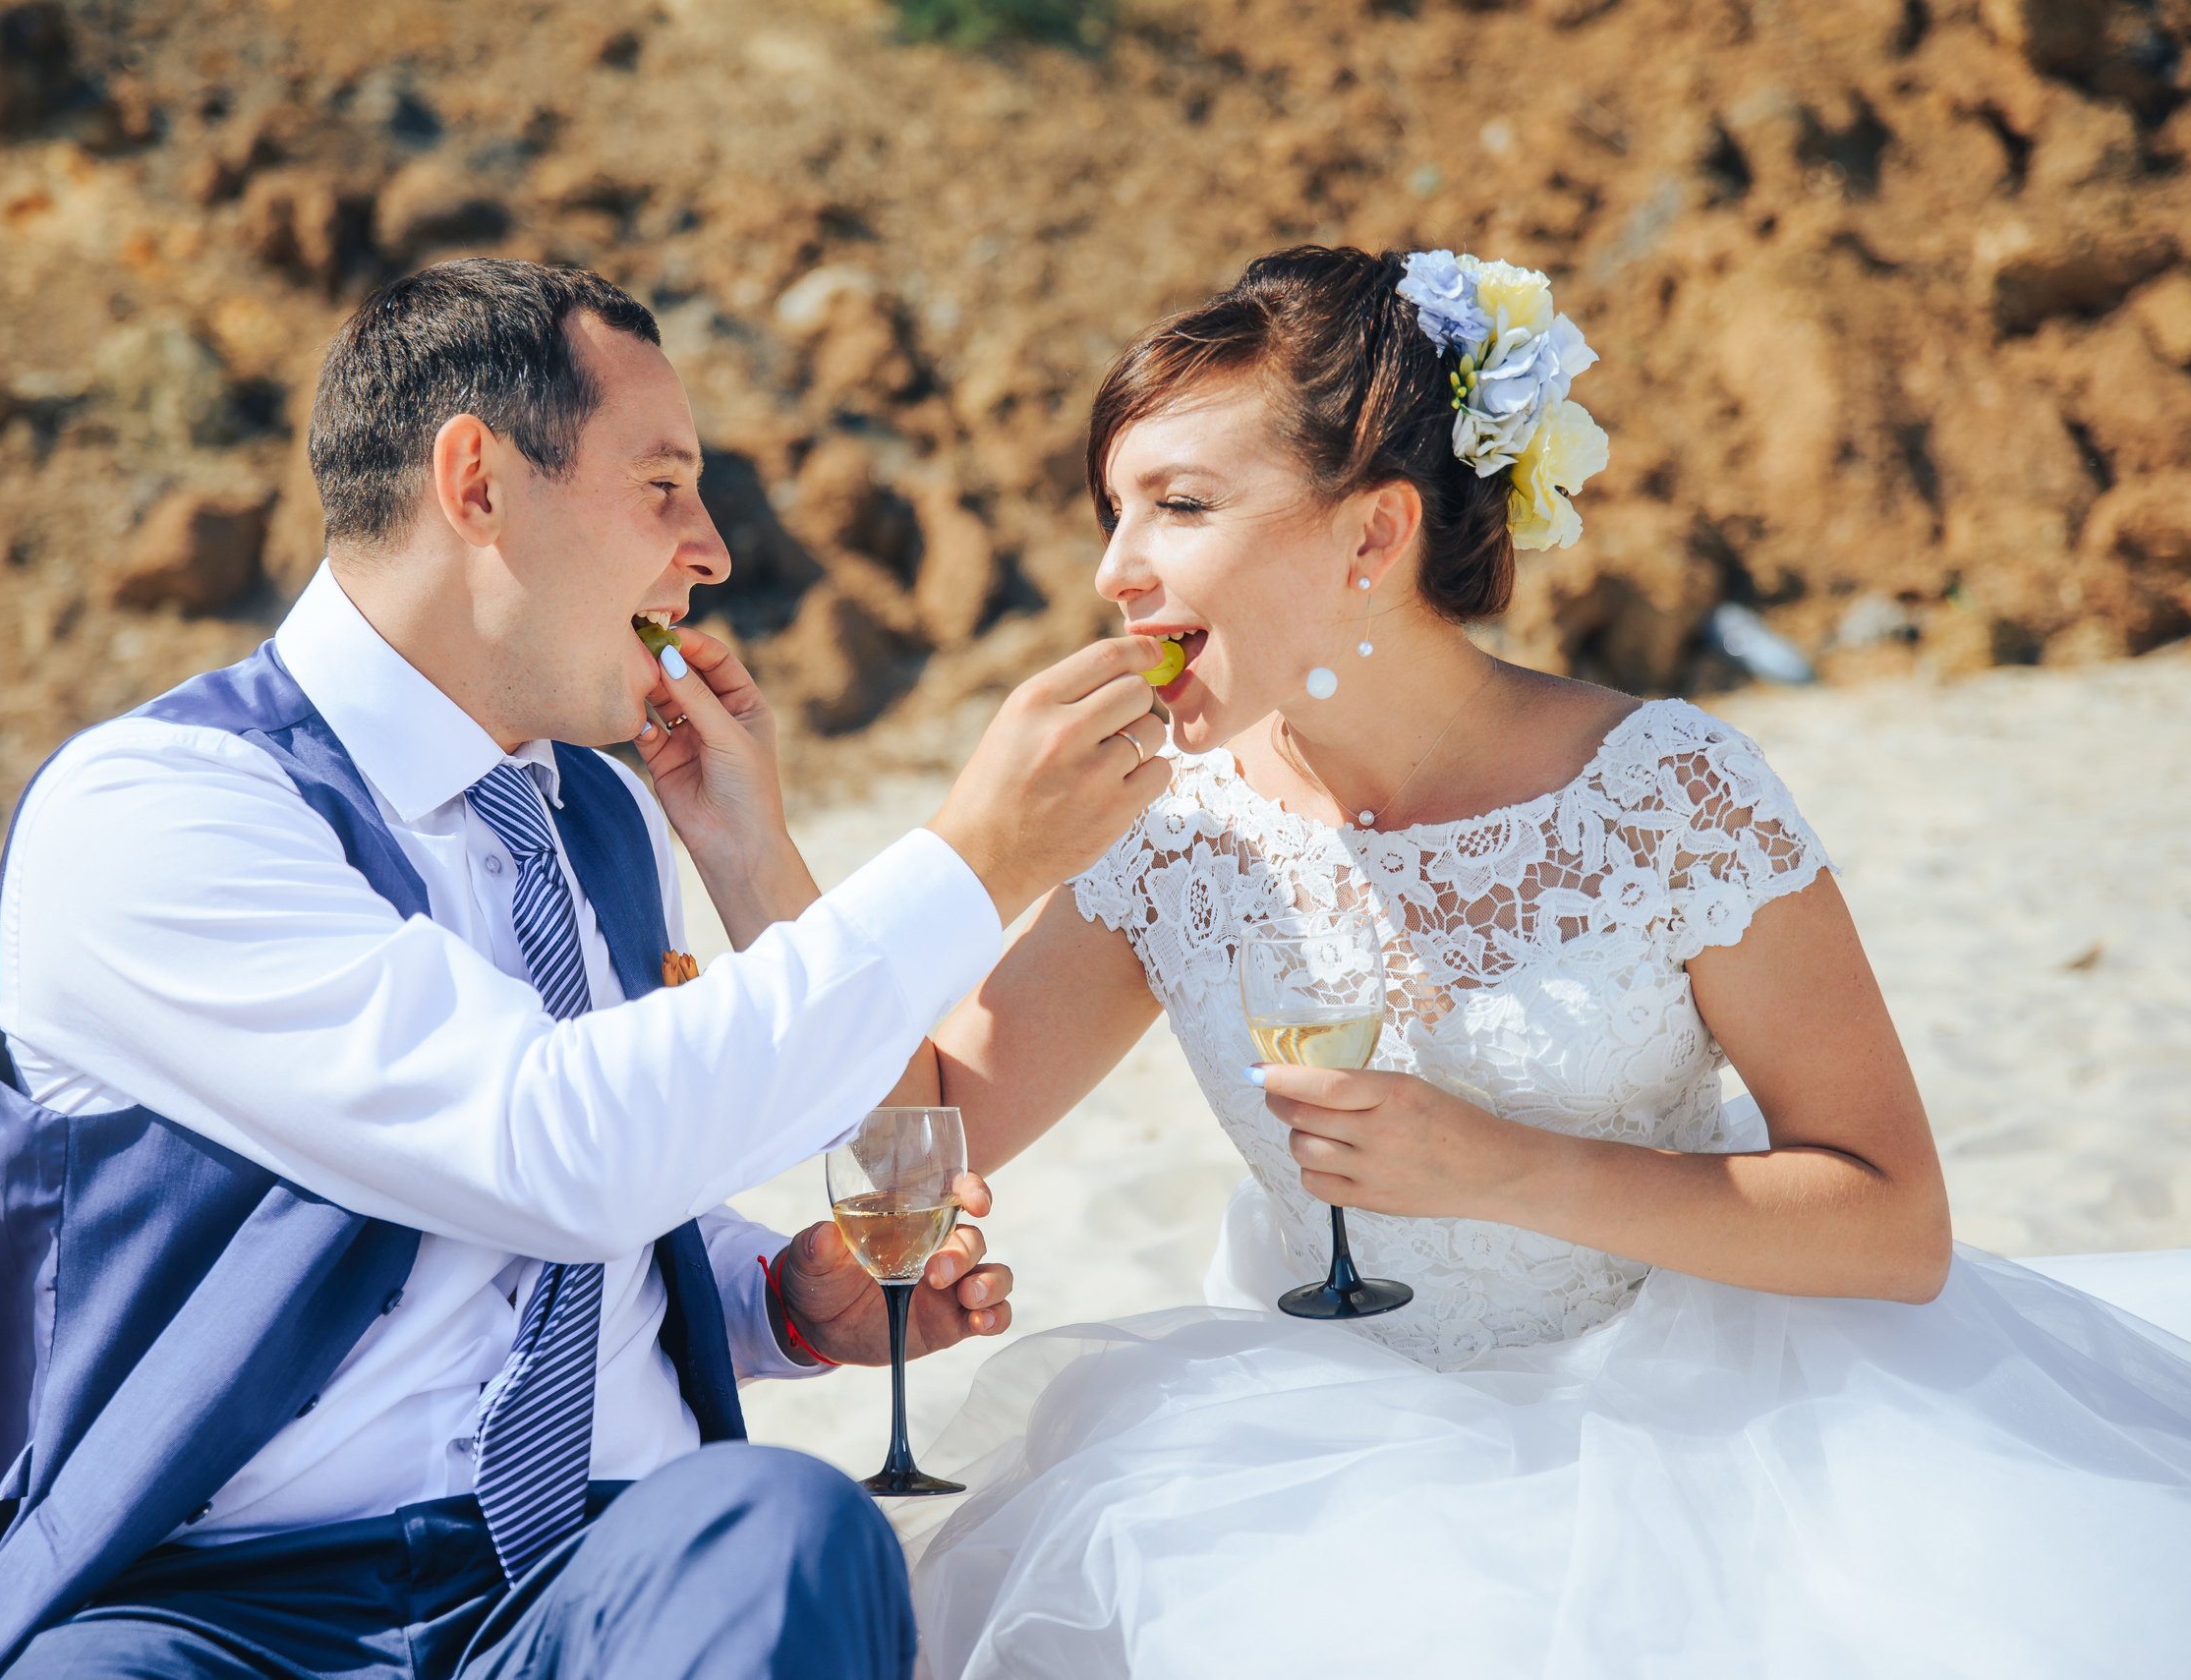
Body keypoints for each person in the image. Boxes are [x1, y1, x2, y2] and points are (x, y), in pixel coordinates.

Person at [894, 245, 2191, 1678]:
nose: (1112, 570)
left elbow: (1894, 1223)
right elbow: (917, 1131)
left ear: (1374, 536)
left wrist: (1503, 1169)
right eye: (1112, 511)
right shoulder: (1171, 831)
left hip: (1733, 1422)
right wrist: (900, 845)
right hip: (1321, 1449)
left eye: (1179, 507)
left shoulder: (1668, 793)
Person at [0, 258, 1177, 1680]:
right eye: (663, 487)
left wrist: (772, 1297)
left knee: (786, 1525)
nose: (711, 551)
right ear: (478, 481)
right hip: (226, 1612)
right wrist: (977, 860)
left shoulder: (609, 815)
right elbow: (544, 1145)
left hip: (595, 1571)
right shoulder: (156, 809)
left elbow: (561, 1207)